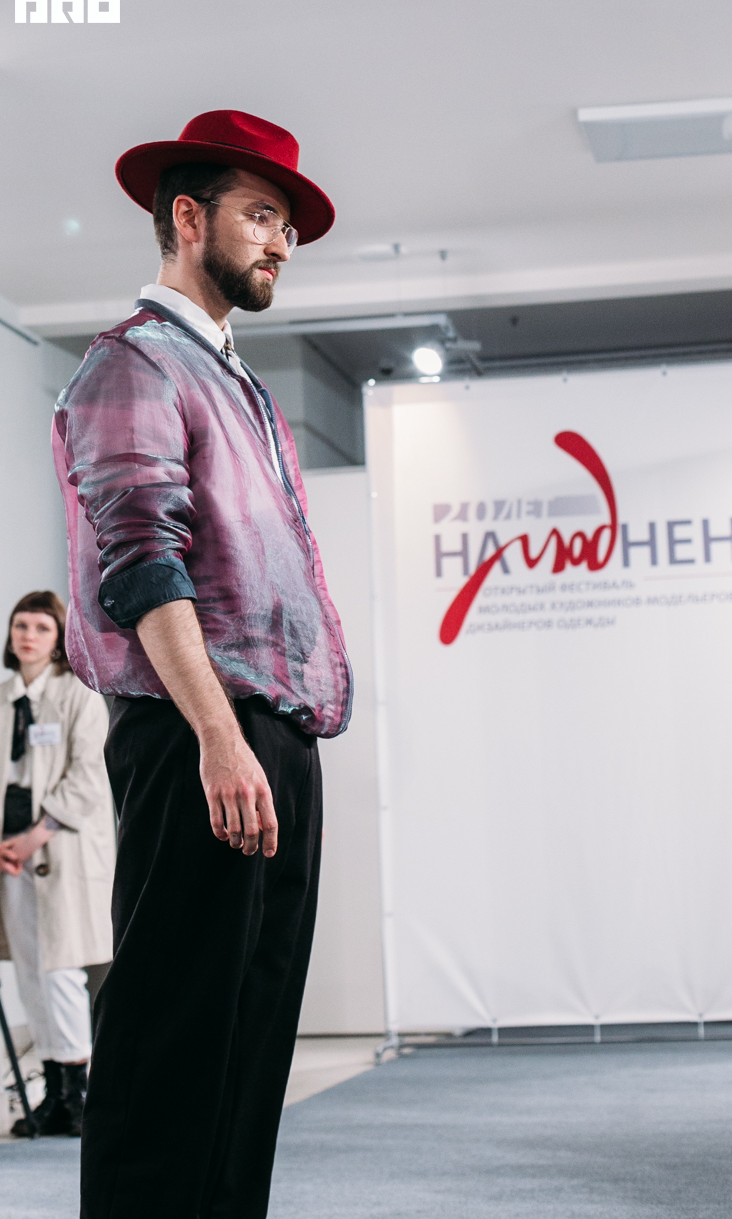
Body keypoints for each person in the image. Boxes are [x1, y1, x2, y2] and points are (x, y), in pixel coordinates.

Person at [52, 110, 352, 1219]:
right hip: (199, 730)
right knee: (173, 1038)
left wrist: (263, 740)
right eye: (261, 216)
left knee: (247, 1042)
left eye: (287, 227)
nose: (280, 244)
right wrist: (220, 737)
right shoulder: (131, 364)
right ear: (189, 218)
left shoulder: (239, 384)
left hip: (273, 734)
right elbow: (142, 562)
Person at [0, 590, 114, 1137]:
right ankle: (50, 1091)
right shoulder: (4, 698)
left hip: (60, 850)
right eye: (20, 626)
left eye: (41, 628)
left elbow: (88, 777)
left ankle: (77, 1093)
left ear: (59, 639)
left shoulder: (79, 695)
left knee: (62, 970)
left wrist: (37, 835)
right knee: (29, 972)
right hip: (11, 857)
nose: (28, 636)